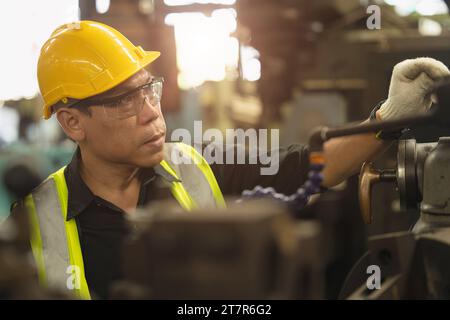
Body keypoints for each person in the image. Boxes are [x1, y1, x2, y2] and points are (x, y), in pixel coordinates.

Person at [9, 20, 450, 299]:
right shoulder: (33, 219)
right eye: (125, 101)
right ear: (72, 122)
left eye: (149, 90)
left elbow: (310, 168)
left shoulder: (193, 167)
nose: (150, 112)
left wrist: (389, 118)